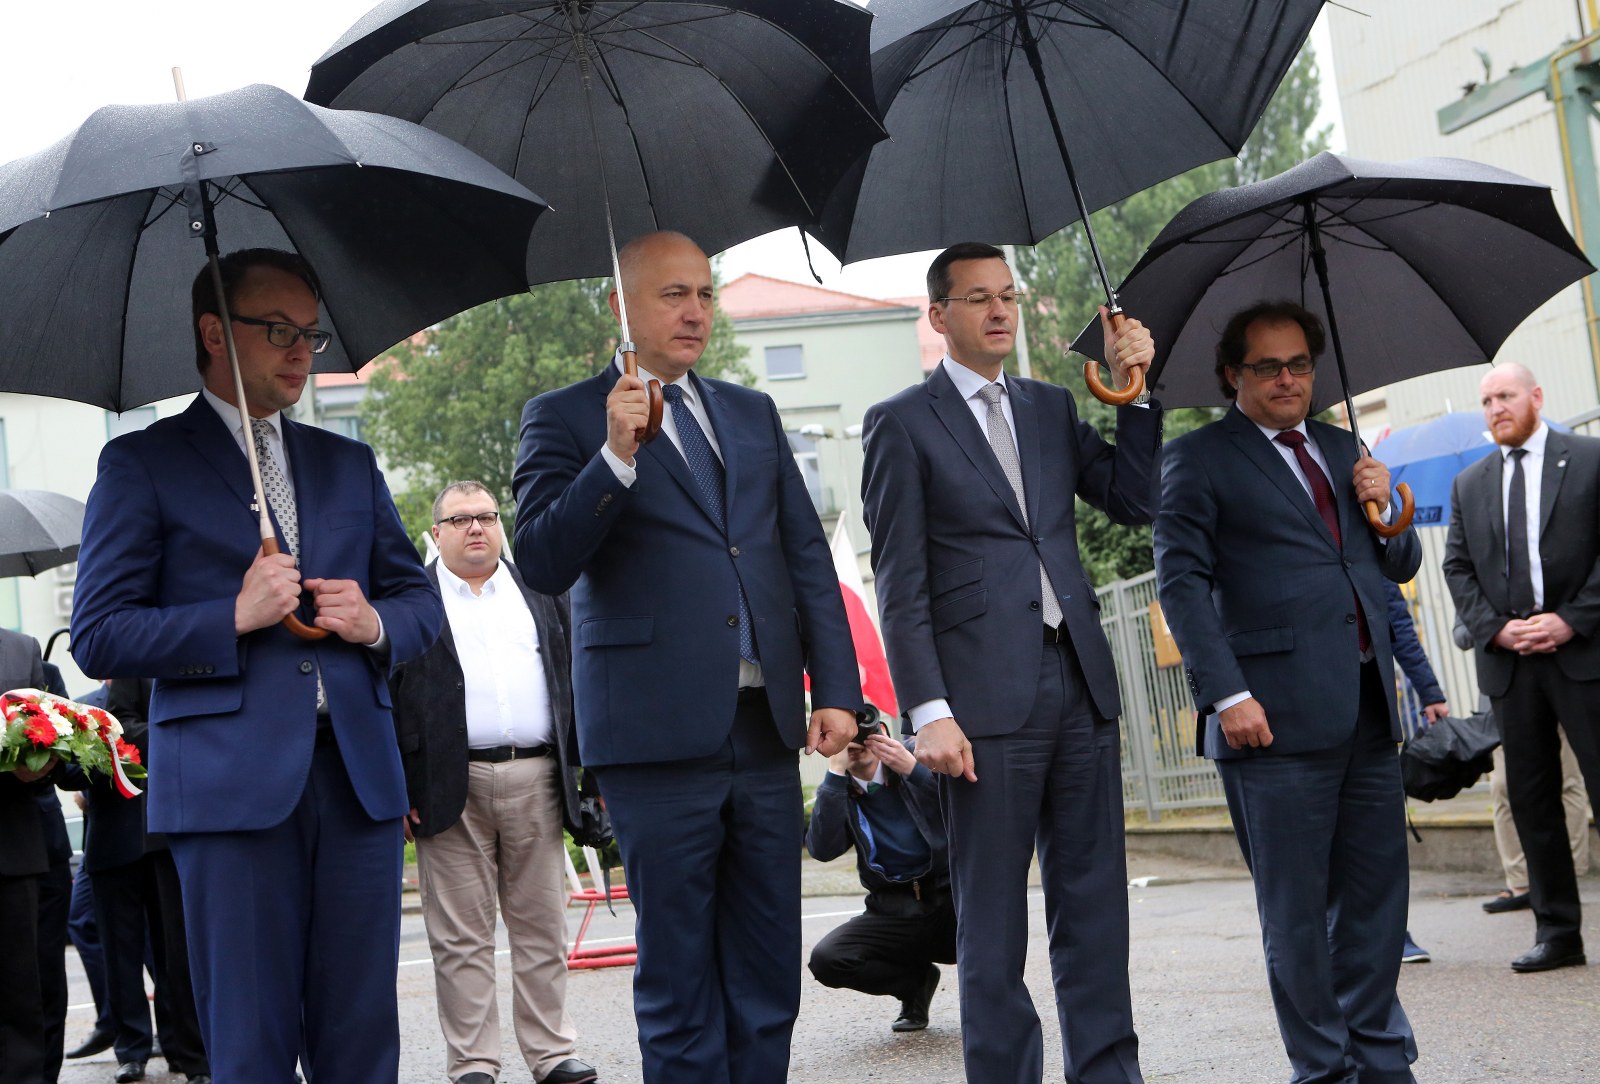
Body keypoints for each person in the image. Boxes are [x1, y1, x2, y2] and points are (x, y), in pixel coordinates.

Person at [70, 248, 443, 1081]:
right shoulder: (142, 463)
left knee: (362, 1040)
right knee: (250, 1042)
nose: (302, 350)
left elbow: (421, 604)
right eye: (278, 330)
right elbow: (99, 632)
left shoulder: (347, 462)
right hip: (227, 790)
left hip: (358, 782)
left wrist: (374, 621)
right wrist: (230, 616)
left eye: (310, 332)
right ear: (214, 334)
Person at [511, 230, 860, 1083]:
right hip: (653, 738)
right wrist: (614, 458)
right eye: (673, 294)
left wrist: (837, 688)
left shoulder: (750, 412)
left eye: (704, 293)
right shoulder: (564, 416)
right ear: (619, 305)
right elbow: (543, 562)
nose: (696, 311)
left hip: (764, 729)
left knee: (767, 971)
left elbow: (801, 555)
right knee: (679, 979)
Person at [860, 241, 1159, 1084]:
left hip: (1080, 684)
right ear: (939, 315)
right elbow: (900, 581)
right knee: (992, 922)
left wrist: (1138, 392)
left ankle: (1109, 1074)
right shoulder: (901, 422)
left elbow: (1136, 499)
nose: (999, 311)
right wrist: (928, 711)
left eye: (1008, 296)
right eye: (979, 298)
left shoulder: (1050, 406)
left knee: (1095, 910)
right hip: (980, 707)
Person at [1154, 300, 1421, 1083]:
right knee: (1298, 916)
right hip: (1267, 722)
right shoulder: (1197, 458)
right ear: (1231, 375)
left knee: (1376, 905)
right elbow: (1180, 584)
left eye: (1299, 364)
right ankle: (1323, 1070)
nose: (1287, 379)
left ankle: (1379, 1060)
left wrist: (1386, 504)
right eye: (1267, 366)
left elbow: (1396, 564)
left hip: (1366, 707)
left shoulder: (1344, 448)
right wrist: (1226, 694)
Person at [388, 481, 597, 1084]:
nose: (476, 528)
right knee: (460, 938)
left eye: (485, 516)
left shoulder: (541, 587)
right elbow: (388, 695)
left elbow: (574, 677)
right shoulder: (411, 598)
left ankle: (552, 1054)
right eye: (460, 520)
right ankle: (474, 1064)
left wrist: (590, 773)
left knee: (542, 928)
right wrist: (398, 787)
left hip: (538, 776)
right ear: (437, 533)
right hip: (446, 784)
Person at [1442, 361, 1600, 973]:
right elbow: (1457, 567)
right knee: (1532, 800)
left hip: (1582, 651)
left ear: (1536, 396)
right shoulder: (1470, 483)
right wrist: (1496, 628)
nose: (1495, 409)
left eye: (1505, 396)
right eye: (1486, 401)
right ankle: (1558, 933)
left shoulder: (1587, 459)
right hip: (1512, 664)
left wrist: (1571, 619)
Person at [61, 678, 208, 1084]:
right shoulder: (84, 708)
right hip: (112, 841)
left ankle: (185, 1050)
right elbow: (71, 770)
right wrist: (97, 762)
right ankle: (131, 1049)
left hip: (164, 838)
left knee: (174, 954)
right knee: (119, 955)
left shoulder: (160, 676)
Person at [805, 727, 955, 1033]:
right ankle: (915, 984)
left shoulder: (915, 763)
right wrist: (835, 772)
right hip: (892, 908)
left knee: (994, 933)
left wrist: (914, 771)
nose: (857, 740)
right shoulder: (840, 790)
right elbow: (822, 849)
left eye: (865, 729)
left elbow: (961, 809)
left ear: (884, 732)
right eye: (847, 734)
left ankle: (990, 1010)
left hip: (949, 898)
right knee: (828, 960)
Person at [1, 626, 56, 1083]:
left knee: (19, 998)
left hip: (10, 850)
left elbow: (52, 742)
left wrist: (42, 765)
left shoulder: (21, 650)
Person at [1384, 581, 1448, 966]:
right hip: (1302, 710)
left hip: (1370, 712)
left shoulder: (1370, 547)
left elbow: (1398, 623)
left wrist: (1430, 691)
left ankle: (1393, 934)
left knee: (1381, 831)